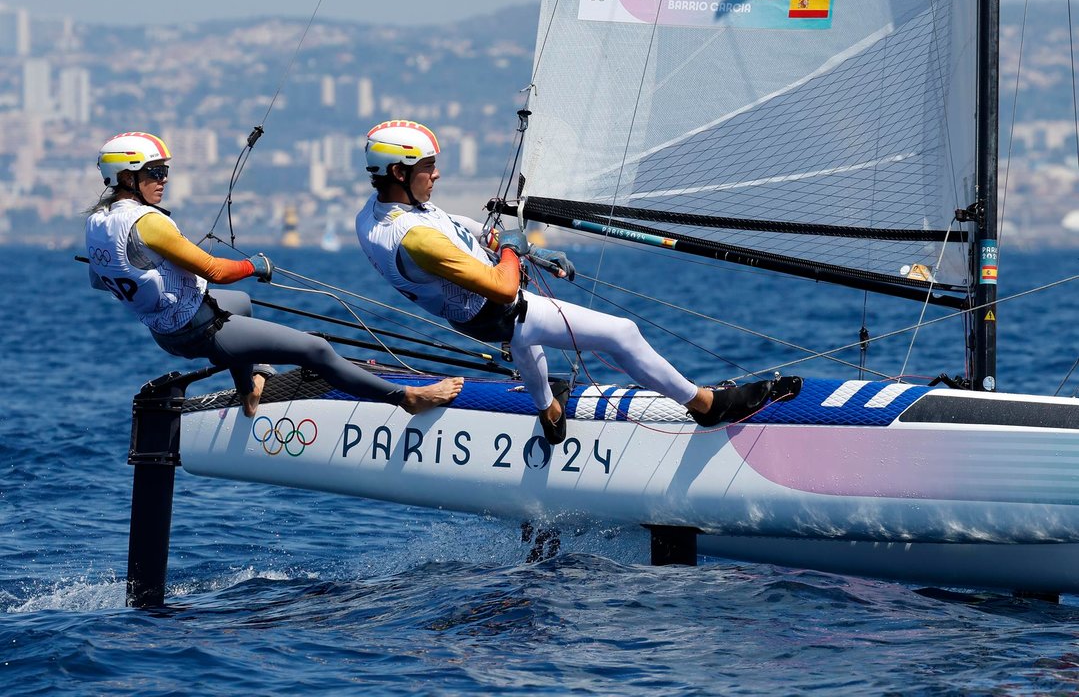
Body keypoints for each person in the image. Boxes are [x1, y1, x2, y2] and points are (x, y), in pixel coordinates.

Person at [355, 120, 792, 444]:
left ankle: (549, 411)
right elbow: (503, 288)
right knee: (622, 333)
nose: (436, 175)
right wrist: (510, 248)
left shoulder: (376, 215)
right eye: (429, 167)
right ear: (399, 173)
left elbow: (458, 228)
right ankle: (706, 405)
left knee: (530, 345)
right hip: (497, 311)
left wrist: (527, 250)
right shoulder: (417, 241)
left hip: (476, 314)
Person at [86, 131, 462, 417]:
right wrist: (255, 265)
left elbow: (102, 280)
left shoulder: (99, 224)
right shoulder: (150, 224)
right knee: (314, 349)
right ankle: (406, 398)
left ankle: (249, 389)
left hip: (165, 332)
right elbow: (216, 270)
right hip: (201, 331)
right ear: (125, 177)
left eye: (164, 171)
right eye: (153, 172)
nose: (163, 179)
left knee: (241, 303)